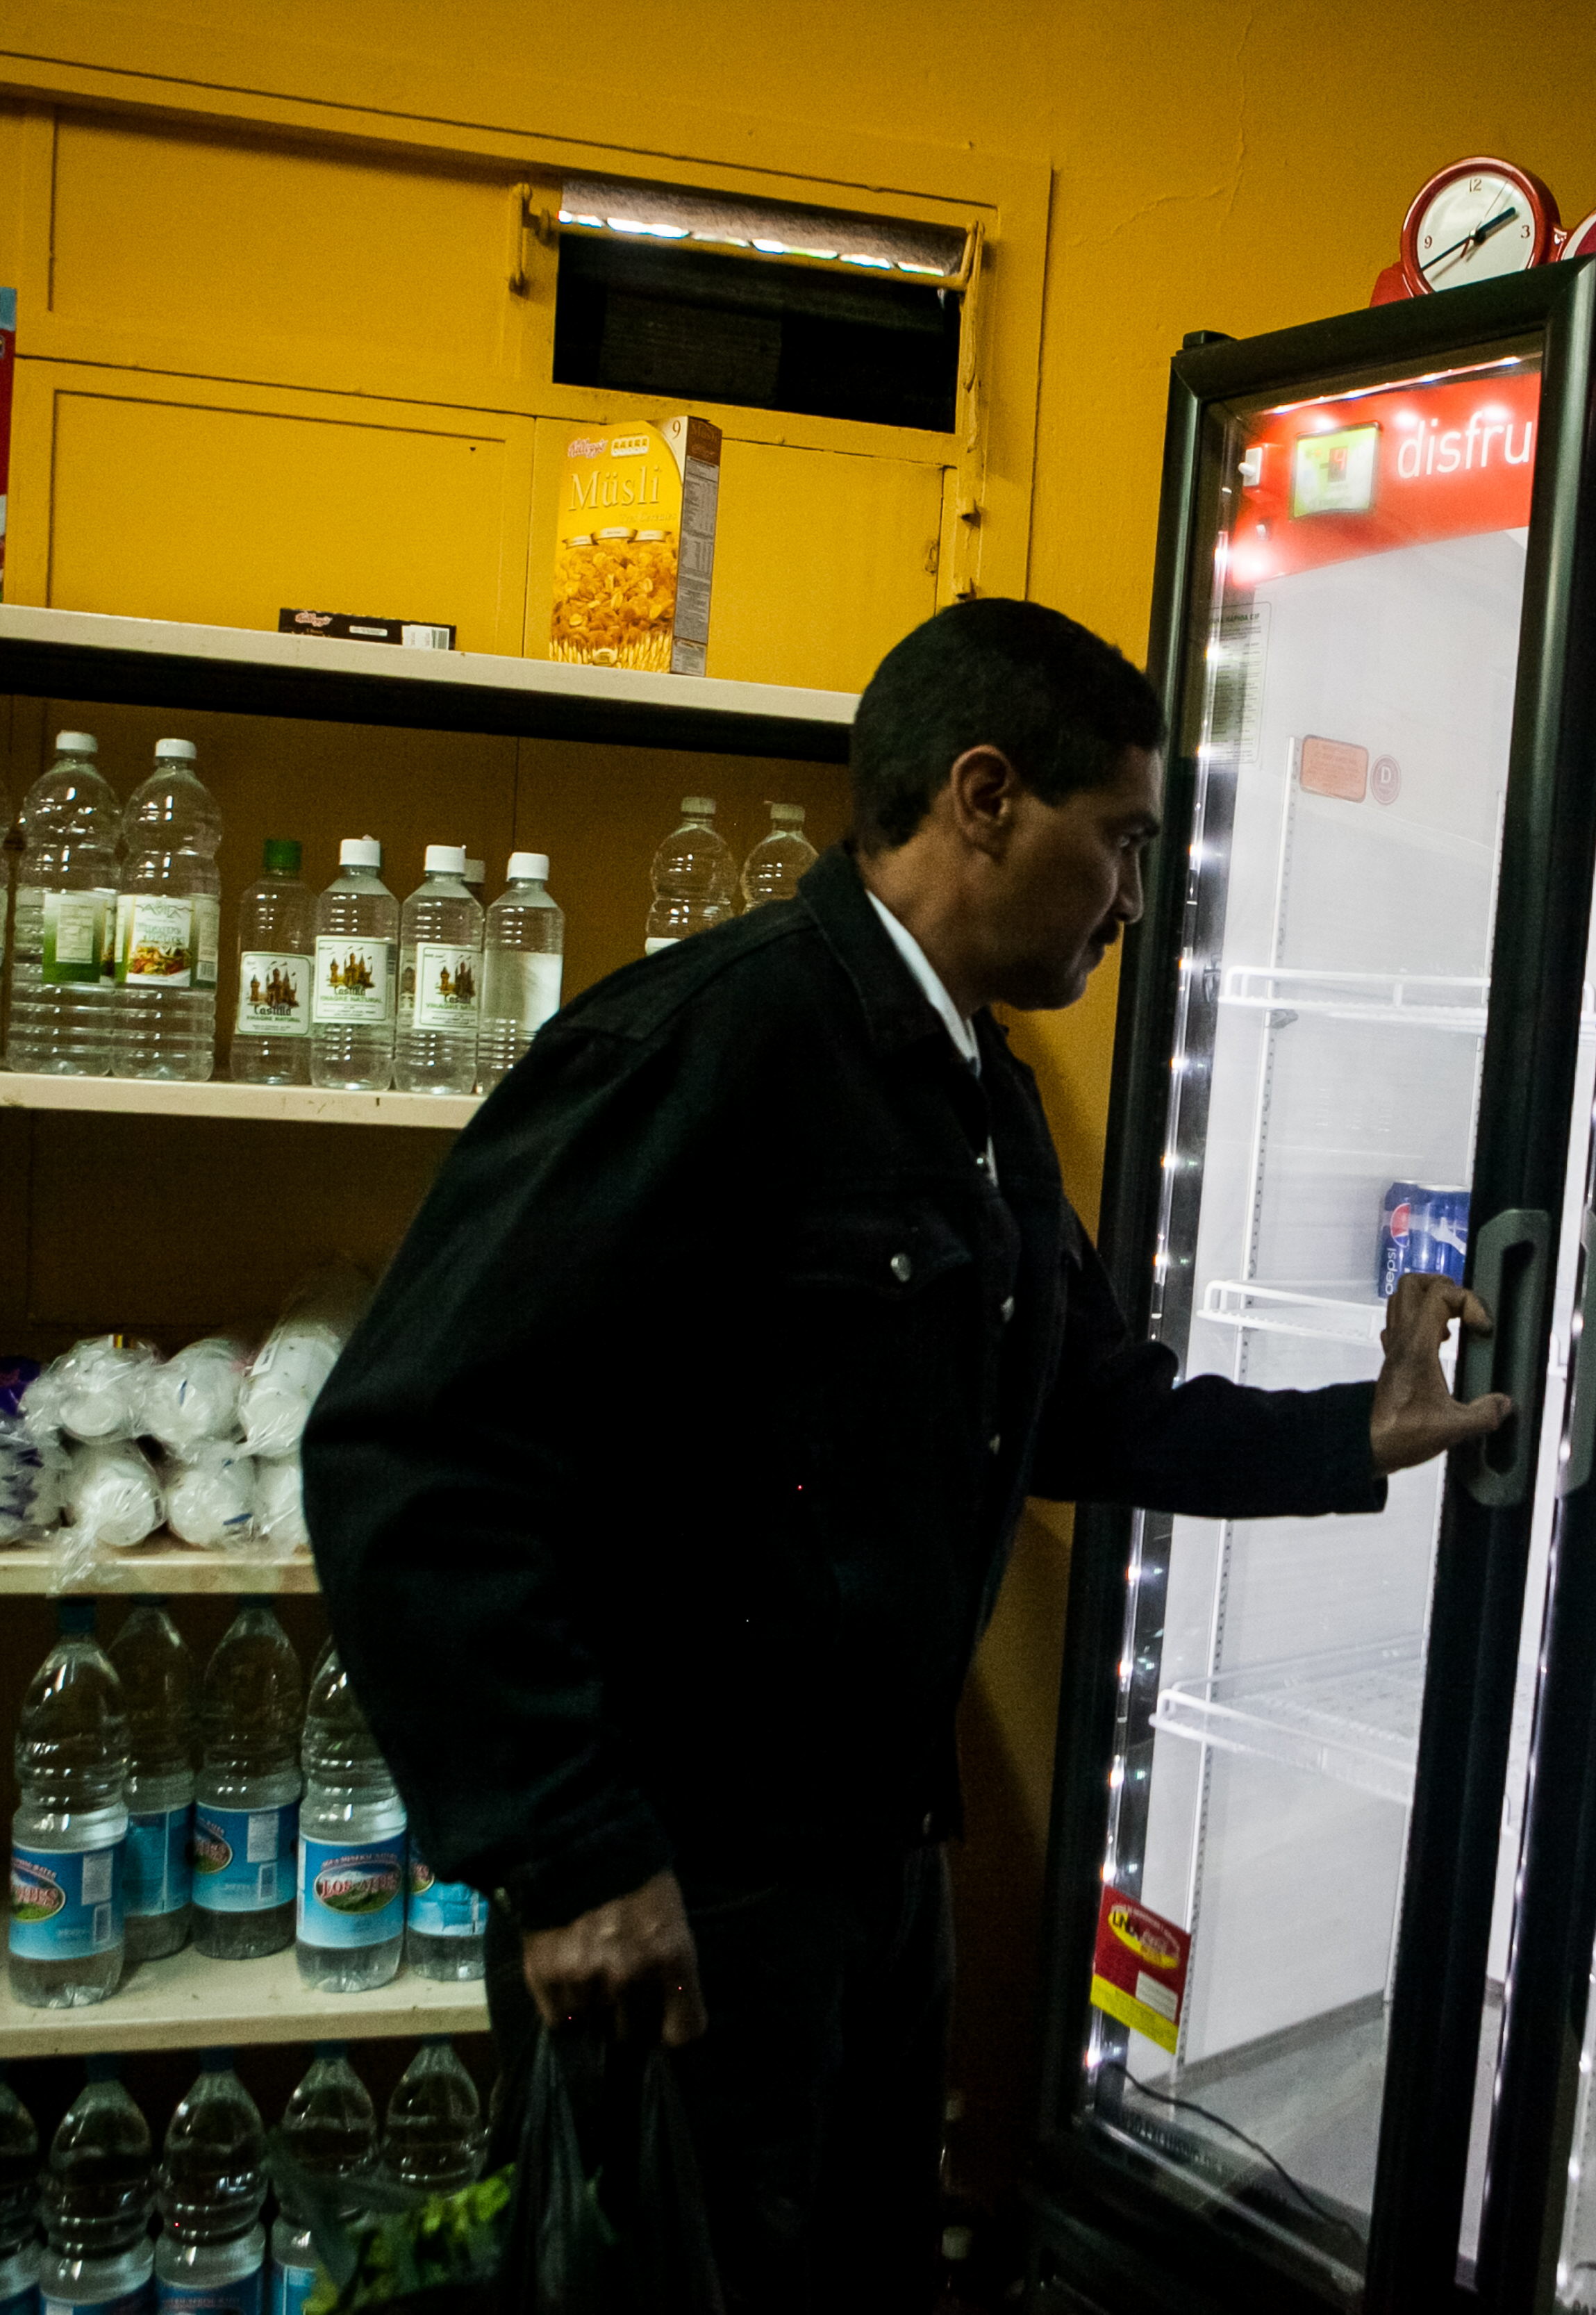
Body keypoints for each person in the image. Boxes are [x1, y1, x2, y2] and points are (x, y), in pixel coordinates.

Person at [305, 599, 1507, 2308]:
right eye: (1125, 843)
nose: (1134, 899)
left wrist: (1354, 1428)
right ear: (987, 795)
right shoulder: (708, 1044)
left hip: (877, 1876)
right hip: (685, 1896)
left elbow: (1088, 1404)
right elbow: (406, 1446)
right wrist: (570, 1853)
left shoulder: (976, 1092)